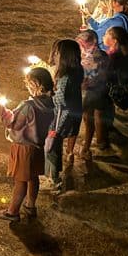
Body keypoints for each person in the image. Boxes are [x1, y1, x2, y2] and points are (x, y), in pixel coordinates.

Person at [0, 68, 55, 221]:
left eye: (28, 84)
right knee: (33, 177)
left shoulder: (28, 106)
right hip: (39, 147)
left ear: (35, 84)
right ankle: (31, 206)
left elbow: (13, 124)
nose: (27, 87)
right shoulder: (52, 104)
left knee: (20, 180)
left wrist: (3, 111)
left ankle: (12, 212)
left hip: (24, 148)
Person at [46, 40, 84, 189]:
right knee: (56, 144)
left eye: (57, 53)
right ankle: (57, 172)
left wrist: (48, 93)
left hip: (60, 118)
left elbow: (60, 100)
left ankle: (54, 178)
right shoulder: (77, 70)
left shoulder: (64, 78)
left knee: (52, 146)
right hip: (74, 113)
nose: (55, 54)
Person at [76, 30, 109, 160]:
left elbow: (101, 75)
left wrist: (86, 83)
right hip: (99, 92)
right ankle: (101, 141)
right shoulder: (101, 54)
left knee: (88, 118)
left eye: (80, 44)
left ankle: (86, 148)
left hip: (93, 93)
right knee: (98, 115)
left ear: (87, 45)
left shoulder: (95, 57)